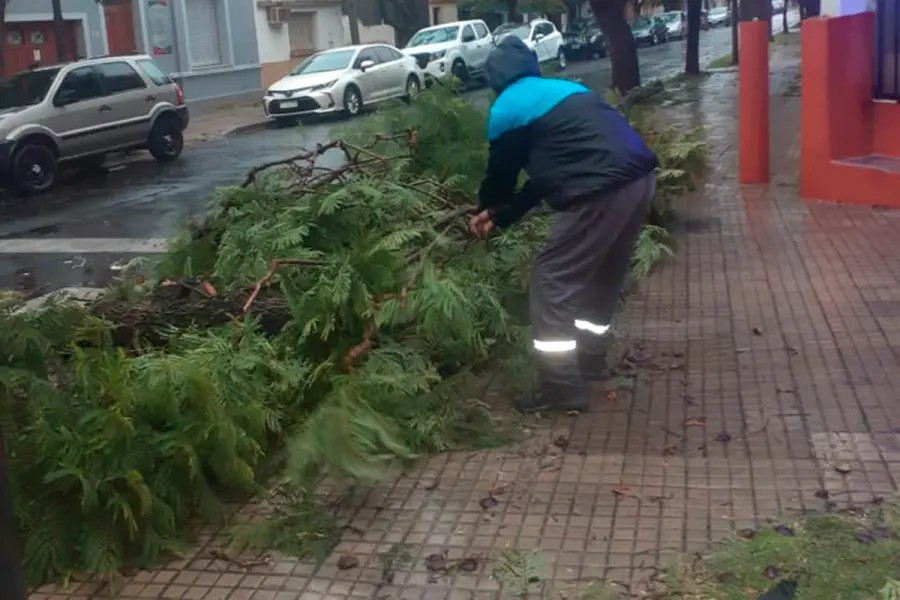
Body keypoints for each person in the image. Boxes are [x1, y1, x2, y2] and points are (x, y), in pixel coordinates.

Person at [468, 35, 658, 414]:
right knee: (604, 275)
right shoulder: (564, 90)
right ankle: (591, 360)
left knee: (551, 281)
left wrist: (485, 208)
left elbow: (500, 179)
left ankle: (561, 387)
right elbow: (547, 178)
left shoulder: (508, 108)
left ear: (494, 79)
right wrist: (502, 216)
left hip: (600, 190)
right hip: (639, 180)